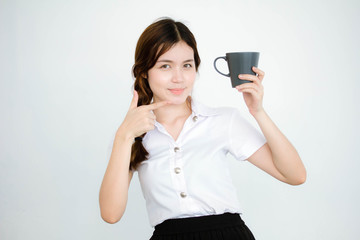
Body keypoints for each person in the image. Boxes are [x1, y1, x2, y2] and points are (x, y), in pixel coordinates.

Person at [99, 17, 306, 240]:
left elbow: (295, 176)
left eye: (187, 65)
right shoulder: (130, 134)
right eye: (165, 66)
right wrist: (124, 136)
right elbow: (111, 214)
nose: (178, 78)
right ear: (144, 72)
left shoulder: (223, 120)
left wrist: (258, 112)